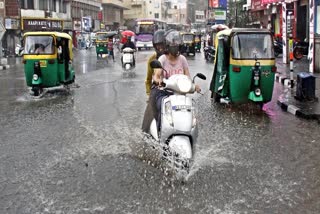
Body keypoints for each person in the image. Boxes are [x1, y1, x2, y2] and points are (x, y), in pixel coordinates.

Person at [149, 30, 201, 131]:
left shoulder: (182, 59)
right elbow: (157, 75)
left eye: (176, 45)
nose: (175, 47)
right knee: (161, 108)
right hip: (164, 93)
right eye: (172, 45)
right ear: (167, 46)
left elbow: (187, 77)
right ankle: (161, 132)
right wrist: (157, 81)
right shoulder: (162, 59)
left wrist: (194, 86)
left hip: (180, 94)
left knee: (192, 110)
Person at [142, 29, 166, 133]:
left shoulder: (174, 56)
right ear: (154, 46)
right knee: (146, 124)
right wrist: (149, 94)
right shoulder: (152, 59)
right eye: (157, 45)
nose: (160, 48)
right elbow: (148, 80)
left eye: (162, 45)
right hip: (156, 90)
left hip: (173, 90)